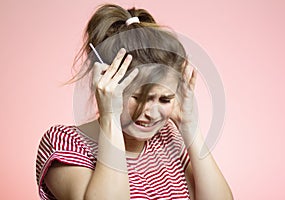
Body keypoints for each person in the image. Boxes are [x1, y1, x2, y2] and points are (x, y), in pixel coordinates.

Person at [36, 3, 233, 200]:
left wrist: (189, 125)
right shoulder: (65, 143)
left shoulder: (168, 138)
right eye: (137, 97)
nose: (151, 113)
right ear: (107, 84)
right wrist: (110, 119)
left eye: (165, 99)